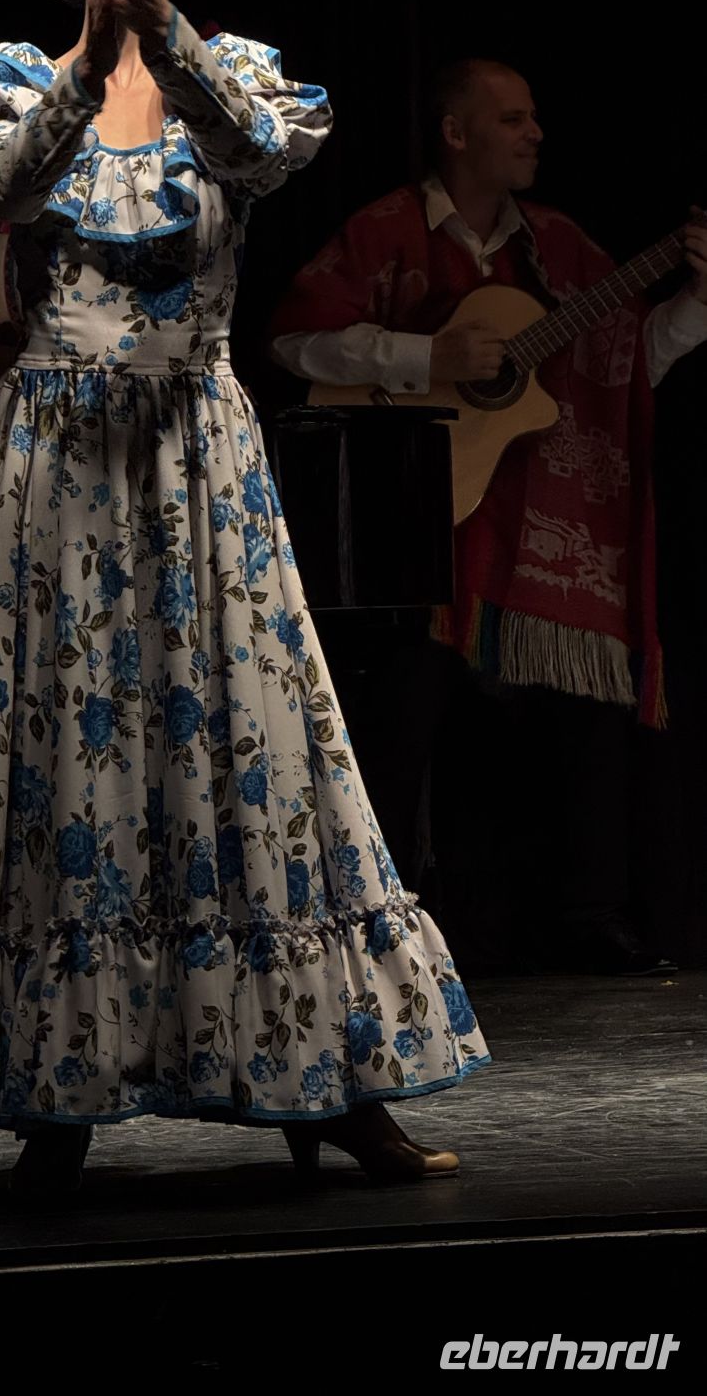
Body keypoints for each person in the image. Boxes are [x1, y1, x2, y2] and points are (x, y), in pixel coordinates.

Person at [0, 0, 488, 1195]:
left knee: (255, 748)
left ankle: (328, 1081)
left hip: (196, 452)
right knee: (62, 753)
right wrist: (91, 59)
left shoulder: (231, 72)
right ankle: (56, 1093)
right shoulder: (12, 85)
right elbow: (3, 189)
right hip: (59, 460)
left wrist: (160, 38)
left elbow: (258, 152)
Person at [270, 58, 706, 976]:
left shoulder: (560, 245)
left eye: (533, 117)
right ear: (456, 132)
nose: (535, 133)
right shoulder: (387, 229)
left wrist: (698, 301)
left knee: (588, 710)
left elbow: (632, 362)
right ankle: (371, 918)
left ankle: (590, 914)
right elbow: (297, 342)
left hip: (541, 535)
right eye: (513, 119)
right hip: (425, 532)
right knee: (401, 716)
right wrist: (425, 356)